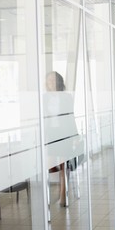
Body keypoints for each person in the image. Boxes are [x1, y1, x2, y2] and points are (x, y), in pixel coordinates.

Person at [44, 71, 78, 206]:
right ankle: (59, 188)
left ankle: (63, 194)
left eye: (53, 80)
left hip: (64, 133)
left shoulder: (66, 97)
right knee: (51, 165)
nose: (51, 82)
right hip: (51, 133)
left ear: (59, 82)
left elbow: (70, 115)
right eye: (49, 80)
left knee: (63, 165)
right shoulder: (44, 98)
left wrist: (75, 135)